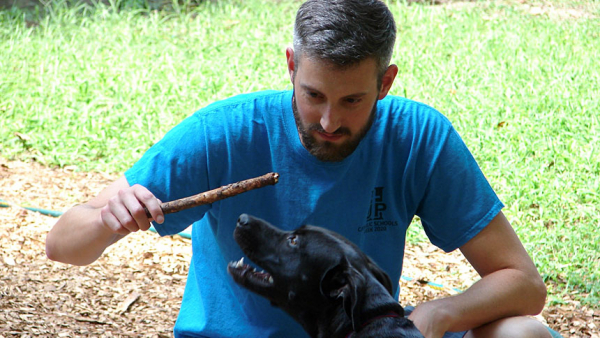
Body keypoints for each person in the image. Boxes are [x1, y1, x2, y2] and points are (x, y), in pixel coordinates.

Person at [46, 0, 556, 337]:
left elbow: (524, 285)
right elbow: (61, 245)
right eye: (313, 95)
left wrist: (440, 313)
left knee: (525, 334)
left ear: (385, 82)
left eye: (353, 100)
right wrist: (105, 218)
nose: (329, 121)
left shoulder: (418, 137)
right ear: (292, 65)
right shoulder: (224, 131)